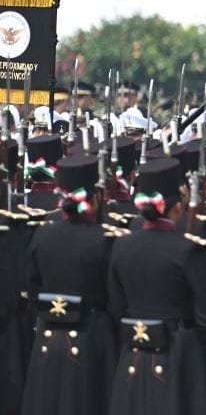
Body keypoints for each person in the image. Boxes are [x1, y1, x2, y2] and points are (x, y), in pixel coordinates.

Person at [107, 157, 206, 415]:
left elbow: (116, 304)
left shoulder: (121, 245)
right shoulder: (186, 250)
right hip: (177, 352)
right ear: (177, 208)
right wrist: (189, 337)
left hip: (134, 349)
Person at [22, 153, 116, 415]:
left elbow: (32, 287)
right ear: (95, 197)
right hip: (92, 336)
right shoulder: (104, 240)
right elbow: (114, 298)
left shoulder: (42, 234)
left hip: (47, 337)